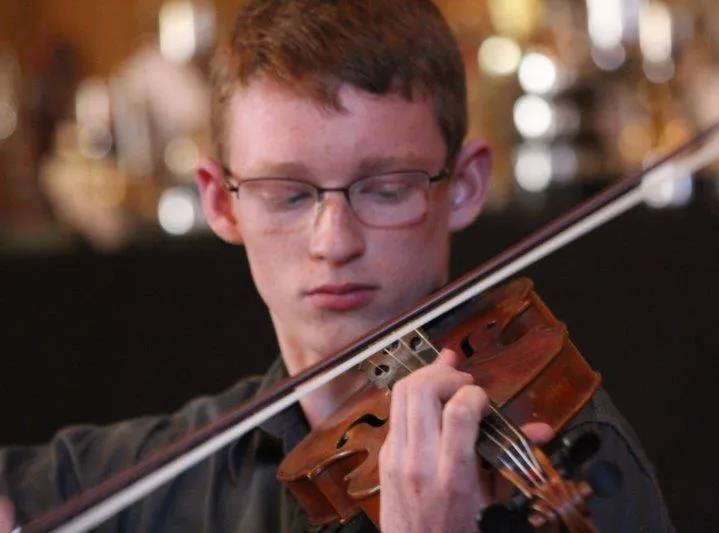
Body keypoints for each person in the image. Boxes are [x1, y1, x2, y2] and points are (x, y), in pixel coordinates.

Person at [0, 1, 674, 531]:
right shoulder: (169, 474)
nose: (333, 240)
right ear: (220, 201)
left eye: (385, 188)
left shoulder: (570, 451)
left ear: (464, 184)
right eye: (286, 193)